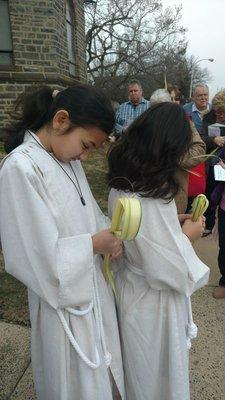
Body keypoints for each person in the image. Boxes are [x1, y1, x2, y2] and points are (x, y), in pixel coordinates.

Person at [0, 85, 125, 400]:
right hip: (61, 307)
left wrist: (111, 236)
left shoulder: (67, 160)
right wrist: (94, 244)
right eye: (85, 145)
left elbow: (89, 217)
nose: (85, 155)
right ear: (60, 120)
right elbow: (34, 258)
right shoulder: (20, 168)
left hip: (90, 290)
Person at [107, 102, 210, 400]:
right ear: (167, 145)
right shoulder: (150, 198)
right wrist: (187, 236)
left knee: (139, 369)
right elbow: (165, 264)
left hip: (132, 288)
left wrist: (172, 225)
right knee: (153, 374)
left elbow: (145, 237)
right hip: (152, 300)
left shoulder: (124, 184)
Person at [201, 89, 225, 236]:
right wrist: (213, 140)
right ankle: (208, 224)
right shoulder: (209, 117)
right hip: (212, 163)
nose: (221, 115)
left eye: (223, 112)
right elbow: (201, 137)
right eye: (218, 112)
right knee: (210, 193)